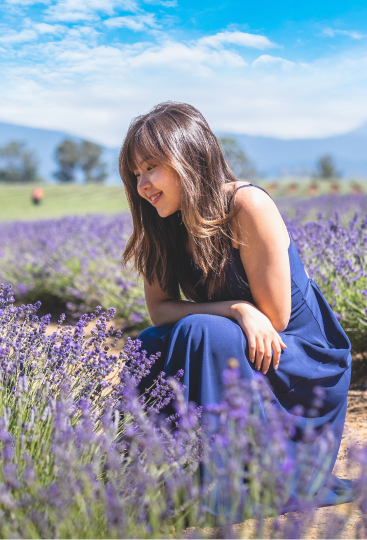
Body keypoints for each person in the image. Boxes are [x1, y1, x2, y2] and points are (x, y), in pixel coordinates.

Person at [120, 102, 354, 509]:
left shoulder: (246, 205)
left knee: (199, 331)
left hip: (297, 361)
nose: (143, 184)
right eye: (136, 174)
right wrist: (237, 309)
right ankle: (151, 469)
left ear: (188, 157)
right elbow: (160, 312)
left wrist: (238, 314)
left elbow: (276, 319)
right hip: (241, 343)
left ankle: (221, 479)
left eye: (151, 166)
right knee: (152, 341)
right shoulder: (162, 223)